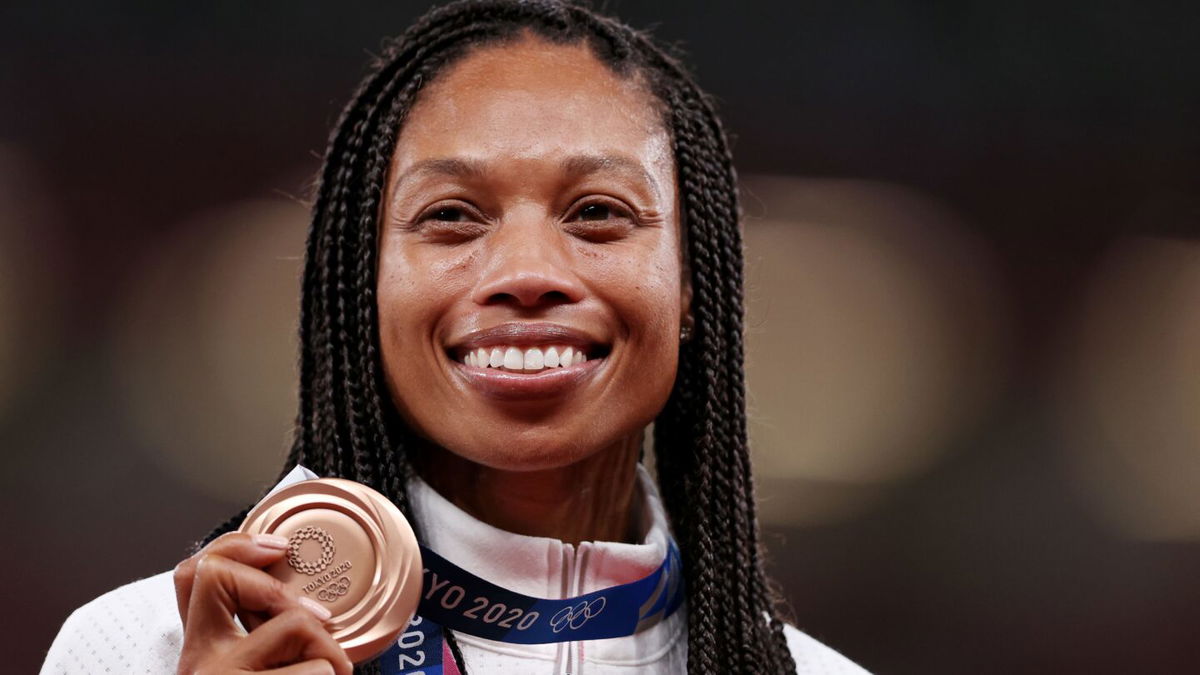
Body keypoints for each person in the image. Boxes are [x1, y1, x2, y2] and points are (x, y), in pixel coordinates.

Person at [42, 1, 869, 673]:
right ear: (362, 284)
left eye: (597, 214)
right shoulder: (145, 649)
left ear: (692, 285)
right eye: (450, 217)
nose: (527, 270)